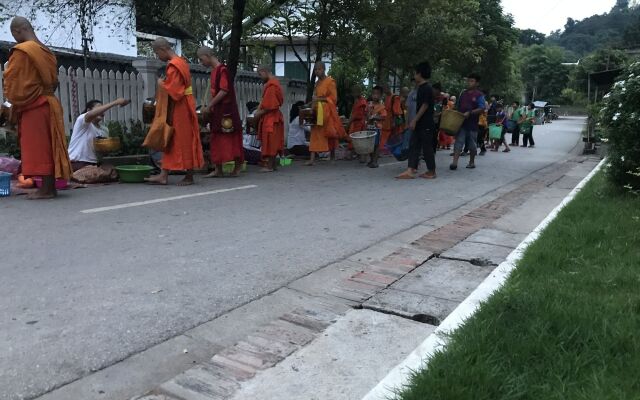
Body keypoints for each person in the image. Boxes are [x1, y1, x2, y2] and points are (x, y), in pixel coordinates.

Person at [3, 17, 72, 199]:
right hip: (49, 102)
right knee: (49, 145)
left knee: (39, 147)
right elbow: (53, 81)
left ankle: (47, 190)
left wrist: (11, 99)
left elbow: (15, 82)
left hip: (35, 105)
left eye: (14, 34)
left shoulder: (23, 51)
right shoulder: (46, 51)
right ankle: (49, 187)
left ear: (18, 30)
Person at [144, 38, 204, 185]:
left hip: (181, 107)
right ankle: (164, 174)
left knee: (182, 139)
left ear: (163, 49)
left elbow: (176, 92)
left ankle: (188, 176)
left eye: (157, 53)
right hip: (183, 104)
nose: (158, 56)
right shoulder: (181, 62)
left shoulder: (174, 65)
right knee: (171, 139)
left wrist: (161, 84)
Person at [197, 46, 244, 177]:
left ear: (207, 55)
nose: (201, 63)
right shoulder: (214, 71)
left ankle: (237, 166)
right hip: (218, 110)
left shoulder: (222, 70)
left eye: (201, 59)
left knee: (230, 137)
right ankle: (218, 169)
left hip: (226, 110)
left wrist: (210, 105)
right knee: (216, 137)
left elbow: (224, 90)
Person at [396, 61, 436, 180]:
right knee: (414, 145)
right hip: (419, 123)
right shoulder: (421, 88)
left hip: (425, 123)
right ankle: (410, 170)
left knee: (427, 147)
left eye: (415, 73)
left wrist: (414, 120)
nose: (414, 76)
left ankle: (431, 171)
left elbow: (425, 105)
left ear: (420, 74)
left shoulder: (427, 88)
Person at [68, 98, 130, 171]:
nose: (102, 111)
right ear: (88, 110)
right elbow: (91, 114)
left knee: (112, 171)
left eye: (102, 109)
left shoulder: (104, 130)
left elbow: (102, 152)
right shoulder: (82, 120)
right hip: (76, 162)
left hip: (94, 164)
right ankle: (61, 182)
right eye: (99, 108)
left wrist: (109, 147)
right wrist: (115, 102)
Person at [307, 61, 345, 166]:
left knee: (330, 133)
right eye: (315, 70)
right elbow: (314, 97)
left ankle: (332, 156)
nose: (317, 71)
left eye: (319, 69)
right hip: (318, 111)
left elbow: (334, 98)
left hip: (327, 111)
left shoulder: (330, 82)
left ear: (324, 69)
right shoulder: (317, 83)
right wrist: (312, 107)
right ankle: (312, 159)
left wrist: (319, 99)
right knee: (315, 133)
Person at [450, 73, 485, 170]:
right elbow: (458, 107)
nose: (469, 83)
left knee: (472, 145)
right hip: (461, 123)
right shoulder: (463, 94)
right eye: (468, 80)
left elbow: (482, 108)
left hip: (472, 124)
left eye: (472, 81)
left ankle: (472, 162)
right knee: (458, 142)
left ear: (477, 83)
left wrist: (470, 113)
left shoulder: (479, 95)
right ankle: (454, 163)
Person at [254, 65, 284, 172]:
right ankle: (273, 164)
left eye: (260, 74)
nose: (260, 76)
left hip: (271, 117)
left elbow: (271, 106)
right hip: (274, 116)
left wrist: (258, 113)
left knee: (271, 141)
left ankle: (270, 166)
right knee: (273, 140)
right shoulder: (274, 84)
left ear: (264, 71)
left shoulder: (272, 86)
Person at [366, 85, 387, 168]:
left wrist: (375, 117)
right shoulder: (369, 105)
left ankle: (375, 161)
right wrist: (370, 112)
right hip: (369, 127)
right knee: (370, 145)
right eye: (374, 94)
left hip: (377, 128)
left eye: (377, 94)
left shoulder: (382, 106)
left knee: (376, 145)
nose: (375, 96)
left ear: (381, 95)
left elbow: (383, 116)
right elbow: (367, 116)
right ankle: (371, 160)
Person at [347, 85, 368, 159]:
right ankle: (357, 155)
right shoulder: (359, 101)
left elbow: (356, 115)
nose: (354, 94)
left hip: (359, 123)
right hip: (356, 123)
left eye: (355, 92)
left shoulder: (362, 102)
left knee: (356, 139)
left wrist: (348, 123)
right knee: (357, 139)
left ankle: (354, 155)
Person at [381, 85, 403, 150]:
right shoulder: (386, 97)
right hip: (386, 120)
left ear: (389, 88)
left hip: (393, 119)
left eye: (386, 88)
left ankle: (400, 147)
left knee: (396, 134)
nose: (385, 91)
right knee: (389, 134)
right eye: (384, 89)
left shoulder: (395, 97)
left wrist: (394, 121)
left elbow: (397, 111)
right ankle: (390, 148)